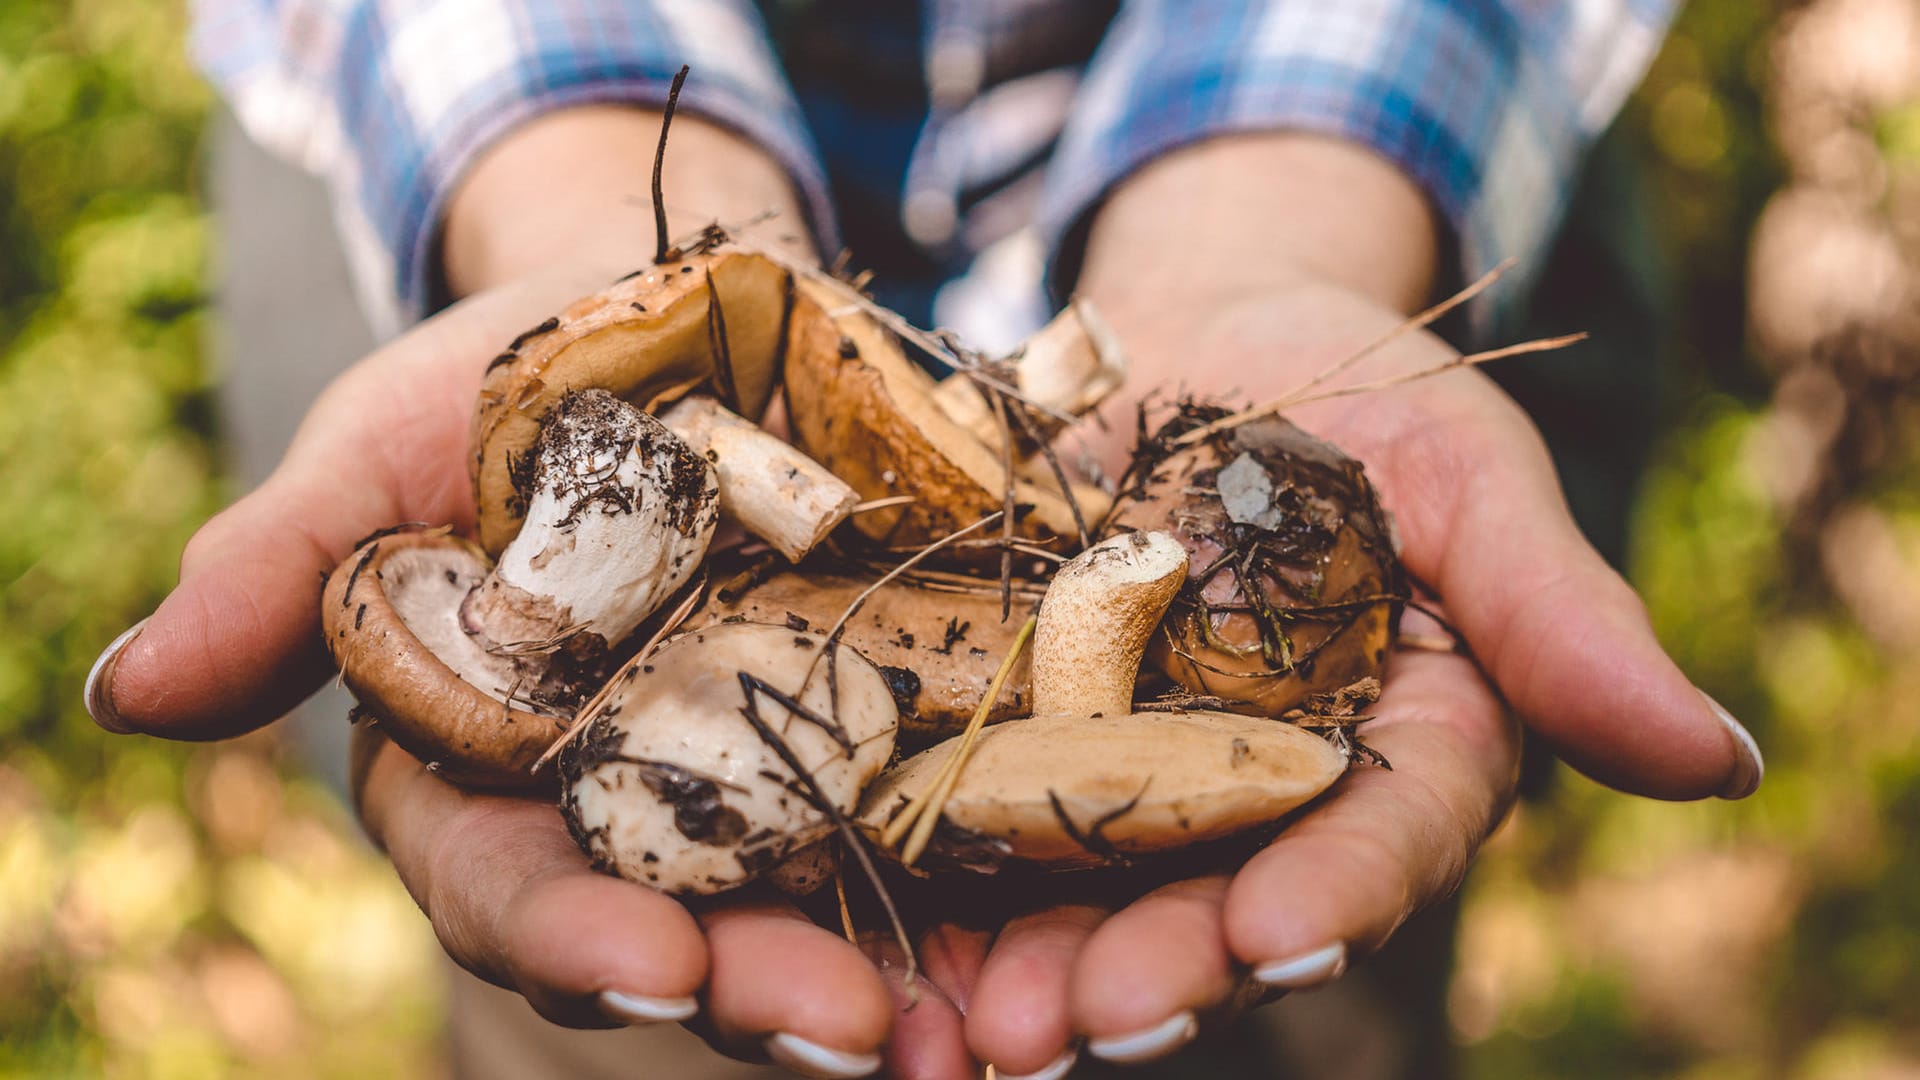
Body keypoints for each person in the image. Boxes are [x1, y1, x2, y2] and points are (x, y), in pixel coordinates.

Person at [88, 2, 1762, 1077]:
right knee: (607, 1020)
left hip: (1361, 139)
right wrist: (578, 181)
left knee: (1290, 990)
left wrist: (1272, 208)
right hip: (472, 124)